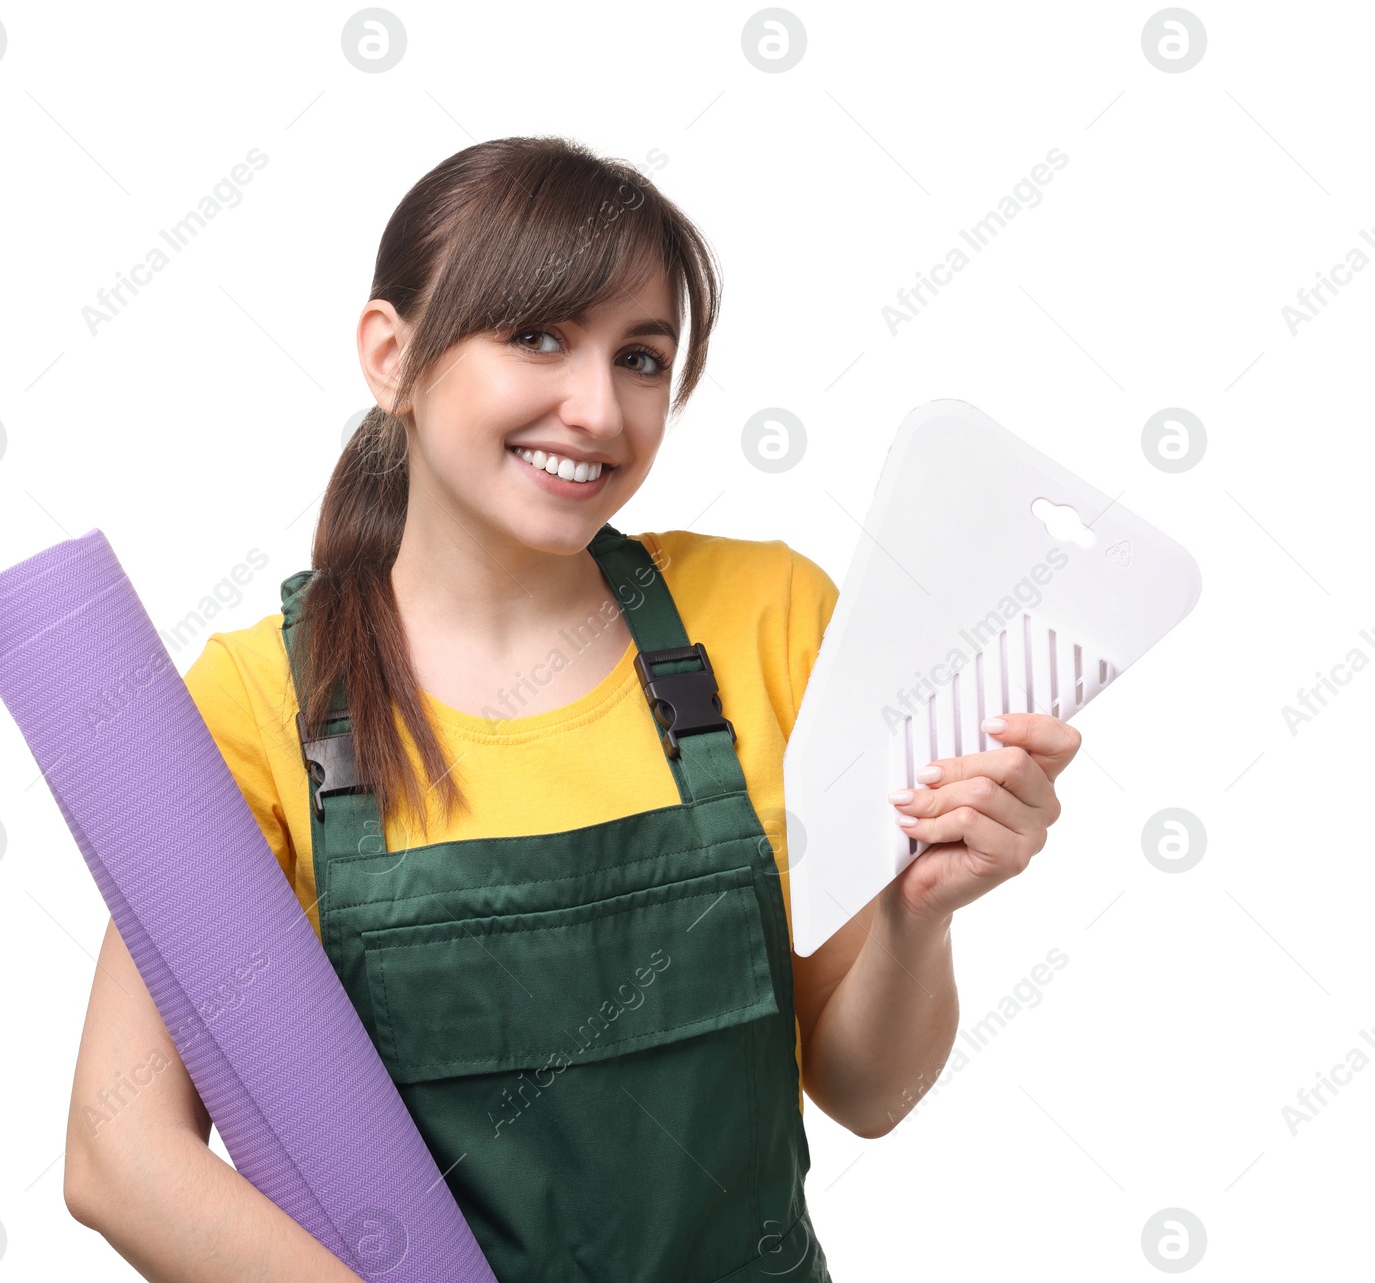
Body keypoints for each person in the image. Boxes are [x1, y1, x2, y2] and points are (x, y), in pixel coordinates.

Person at [61, 134, 1081, 1282]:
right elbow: (119, 1150)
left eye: (641, 358)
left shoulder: (767, 614)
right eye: (538, 336)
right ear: (390, 355)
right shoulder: (256, 703)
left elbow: (867, 1091)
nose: (597, 409)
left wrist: (917, 916)